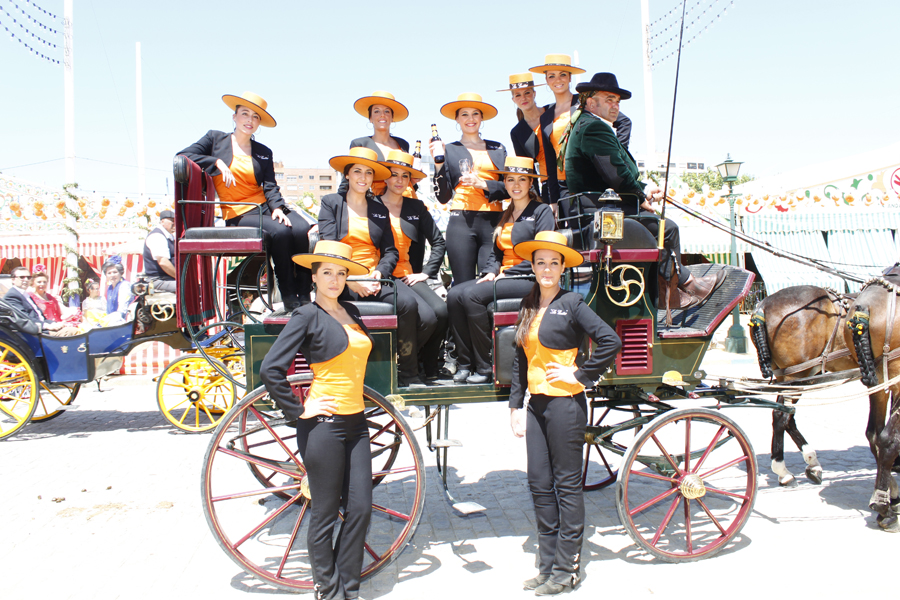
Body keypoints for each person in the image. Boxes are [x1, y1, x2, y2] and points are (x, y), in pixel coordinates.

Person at [508, 231, 622, 596]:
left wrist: (581, 375)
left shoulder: (572, 303)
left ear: (562, 268)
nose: (546, 268)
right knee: (539, 485)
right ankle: (546, 567)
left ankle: (566, 570)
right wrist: (515, 405)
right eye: (540, 262)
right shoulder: (528, 304)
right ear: (533, 266)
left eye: (553, 263)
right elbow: (519, 359)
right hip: (536, 406)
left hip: (565, 405)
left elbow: (610, 341)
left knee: (567, 487)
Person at [259, 240, 374, 600]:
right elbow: (271, 369)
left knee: (360, 509)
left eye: (341, 273)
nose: (335, 280)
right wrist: (297, 415)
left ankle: (348, 587)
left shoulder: (352, 311)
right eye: (327, 272)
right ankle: (329, 589)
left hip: (357, 424)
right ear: (314, 276)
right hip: (323, 425)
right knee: (324, 514)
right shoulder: (307, 315)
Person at [563, 72, 724, 311]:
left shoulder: (584, 125)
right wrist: (641, 196)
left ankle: (675, 288)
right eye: (609, 99)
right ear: (590, 101)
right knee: (667, 228)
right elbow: (616, 176)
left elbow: (611, 175)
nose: (615, 105)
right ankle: (675, 291)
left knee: (662, 225)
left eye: (617, 101)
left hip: (599, 208)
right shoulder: (594, 128)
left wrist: (644, 190)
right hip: (603, 213)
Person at [178, 91, 311, 309]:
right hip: (239, 212)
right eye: (245, 114)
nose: (250, 120)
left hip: (264, 207)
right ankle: (288, 295)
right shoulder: (215, 139)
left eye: (255, 117)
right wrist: (216, 163)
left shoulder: (263, 152)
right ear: (234, 116)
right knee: (280, 232)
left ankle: (304, 293)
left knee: (301, 228)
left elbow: (269, 185)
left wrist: (277, 207)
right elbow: (184, 155)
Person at [318, 147, 432, 386]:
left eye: (368, 172)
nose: (363, 177)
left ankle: (407, 371)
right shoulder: (331, 203)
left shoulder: (379, 208)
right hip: (341, 278)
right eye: (357, 171)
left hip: (375, 277)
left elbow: (390, 251)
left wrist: (378, 274)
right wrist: (351, 280)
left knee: (409, 304)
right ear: (347, 175)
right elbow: (327, 248)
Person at [446, 157, 554, 384]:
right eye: (510, 179)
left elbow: (543, 254)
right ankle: (466, 364)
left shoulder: (541, 211)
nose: (516, 185)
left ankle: (485, 366)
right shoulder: (506, 212)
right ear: (504, 183)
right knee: (455, 294)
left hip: (528, 277)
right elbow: (496, 253)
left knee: (472, 295)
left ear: (530, 183)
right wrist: (491, 272)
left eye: (522, 179)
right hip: (505, 276)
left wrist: (510, 273)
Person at [529, 54, 633, 212]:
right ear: (546, 80)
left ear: (570, 78)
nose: (558, 80)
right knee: (574, 232)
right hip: (563, 186)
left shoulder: (586, 103)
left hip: (590, 180)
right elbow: (551, 163)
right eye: (552, 76)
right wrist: (553, 200)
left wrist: (615, 154)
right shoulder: (546, 117)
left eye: (563, 74)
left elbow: (624, 122)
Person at [378, 150, 448, 380]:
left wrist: (426, 273)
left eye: (405, 176)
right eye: (394, 174)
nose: (399, 180)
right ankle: (406, 364)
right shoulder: (372, 205)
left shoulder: (415, 207)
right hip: (381, 275)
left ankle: (427, 366)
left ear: (410, 180)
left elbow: (439, 241)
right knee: (425, 317)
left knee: (441, 311)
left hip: (407, 276)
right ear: (385, 177)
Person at [432, 93, 509, 284]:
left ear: (482, 118)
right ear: (457, 119)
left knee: (490, 283)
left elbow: (511, 188)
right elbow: (442, 196)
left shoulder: (498, 148)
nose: (470, 119)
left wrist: (483, 184)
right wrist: (438, 164)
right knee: (462, 283)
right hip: (461, 221)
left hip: (494, 221)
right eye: (464, 114)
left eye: (475, 113)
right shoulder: (449, 149)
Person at [343, 91, 414, 197]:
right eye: (376, 111)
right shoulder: (360, 144)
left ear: (392, 118)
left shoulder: (403, 144)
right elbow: (348, 180)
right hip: (373, 203)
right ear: (370, 118)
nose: (382, 115)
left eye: (387, 111)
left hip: (405, 201)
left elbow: (406, 179)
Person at [503, 73, 547, 201]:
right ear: (513, 100)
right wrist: (536, 196)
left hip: (570, 177)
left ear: (534, 93)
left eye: (527, 93)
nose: (523, 98)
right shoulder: (517, 132)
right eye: (518, 95)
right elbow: (528, 167)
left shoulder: (552, 112)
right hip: (547, 183)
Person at [2, 267, 79, 336]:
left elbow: (40, 317)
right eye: (22, 277)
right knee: (75, 332)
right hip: (35, 331)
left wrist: (54, 323)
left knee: (78, 328)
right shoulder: (12, 296)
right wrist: (47, 326)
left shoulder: (24, 294)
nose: (25, 280)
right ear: (13, 280)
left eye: (28, 277)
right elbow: (25, 318)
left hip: (42, 327)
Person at [143, 209, 177, 293]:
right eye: (172, 220)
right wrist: (179, 277)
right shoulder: (157, 236)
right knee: (189, 286)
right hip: (159, 280)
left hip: (167, 278)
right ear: (162, 221)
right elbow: (163, 262)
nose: (174, 223)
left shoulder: (168, 236)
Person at [102, 256, 133, 324]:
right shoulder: (110, 288)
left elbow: (123, 309)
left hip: (123, 321)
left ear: (120, 273)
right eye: (109, 273)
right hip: (111, 320)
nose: (112, 275)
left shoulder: (125, 285)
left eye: (115, 272)